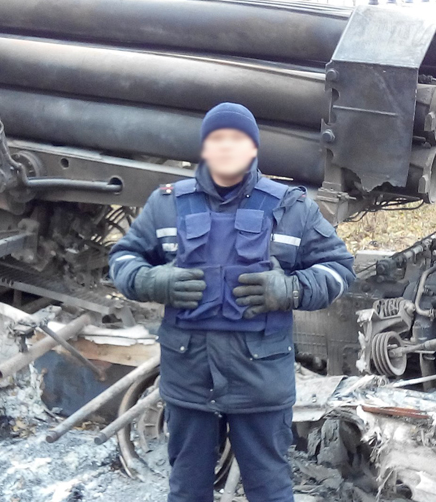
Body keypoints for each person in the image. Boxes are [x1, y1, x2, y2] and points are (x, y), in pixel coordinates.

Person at [108, 102, 355, 502]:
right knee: (187, 491)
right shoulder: (167, 204)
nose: (227, 147)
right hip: (189, 379)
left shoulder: (292, 207)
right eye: (217, 138)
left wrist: (291, 289)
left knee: (270, 491)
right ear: (205, 147)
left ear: (253, 148)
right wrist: (151, 281)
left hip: (260, 382)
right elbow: (122, 260)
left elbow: (340, 269)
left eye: (237, 139)